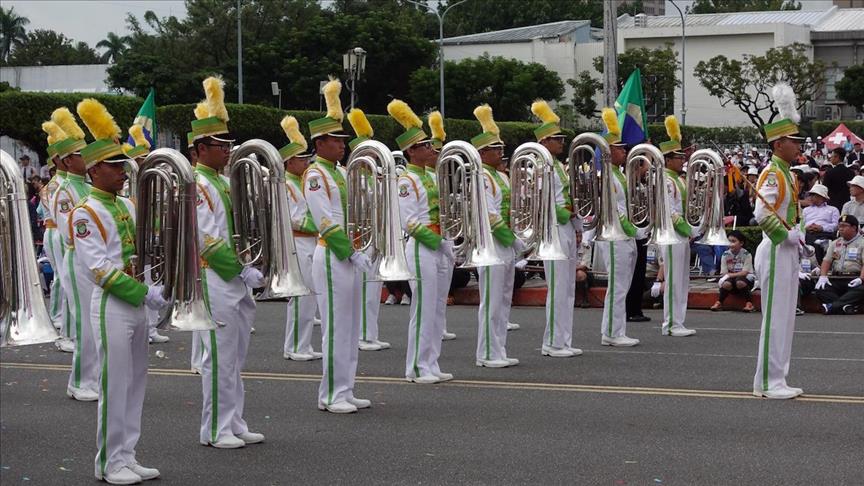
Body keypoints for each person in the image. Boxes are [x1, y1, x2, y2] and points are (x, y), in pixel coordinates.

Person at [71, 98, 168, 484]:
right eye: (114, 166)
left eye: (121, 165)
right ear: (94, 170)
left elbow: (144, 245)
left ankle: (127, 454)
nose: (121, 172)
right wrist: (143, 292)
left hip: (137, 299)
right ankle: (109, 462)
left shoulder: (126, 203)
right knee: (115, 384)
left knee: (136, 383)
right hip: (113, 302)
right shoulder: (85, 212)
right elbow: (99, 269)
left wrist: (156, 282)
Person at [191, 77, 265, 445]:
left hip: (233, 275)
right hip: (215, 276)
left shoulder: (220, 181)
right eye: (221, 145)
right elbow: (205, 240)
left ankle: (233, 420)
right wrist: (240, 268)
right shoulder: (197, 184)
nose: (228, 150)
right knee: (218, 358)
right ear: (201, 147)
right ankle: (215, 429)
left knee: (234, 356)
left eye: (228, 144)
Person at [304, 79, 372, 414]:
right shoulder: (316, 175)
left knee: (350, 326)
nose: (343, 145)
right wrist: (351, 251)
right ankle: (331, 393)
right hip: (332, 255)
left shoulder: (341, 172)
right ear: (320, 142)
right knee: (335, 326)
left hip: (348, 254)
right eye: (337, 140)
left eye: (343, 139)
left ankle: (346, 387)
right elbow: (326, 221)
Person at [389, 100, 453, 383]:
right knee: (424, 307)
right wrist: (437, 241)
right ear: (412, 151)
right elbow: (410, 222)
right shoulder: (406, 181)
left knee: (437, 307)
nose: (431, 149)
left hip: (438, 244)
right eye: (425, 146)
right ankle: (416, 367)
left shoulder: (429, 176)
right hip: (422, 247)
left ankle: (431, 362)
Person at [751, 84, 805, 400]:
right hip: (774, 249)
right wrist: (786, 235)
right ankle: (769, 381)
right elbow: (762, 214)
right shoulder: (773, 174)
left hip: (786, 249)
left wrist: (798, 231)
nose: (798, 146)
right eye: (794, 141)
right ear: (779, 143)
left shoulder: (787, 173)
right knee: (775, 318)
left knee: (785, 318)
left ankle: (777, 377)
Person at [50, 106, 101, 400]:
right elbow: (70, 231)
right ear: (68, 160)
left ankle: (93, 377)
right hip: (77, 259)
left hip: (91, 260)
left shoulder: (87, 187)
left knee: (95, 323)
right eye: (82, 154)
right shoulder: (66, 190)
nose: (87, 158)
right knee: (84, 323)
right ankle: (80, 381)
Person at [473, 104, 524, 366]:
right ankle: (487, 352)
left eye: (501, 148)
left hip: (505, 243)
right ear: (482, 152)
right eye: (495, 149)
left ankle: (498, 349)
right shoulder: (480, 176)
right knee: (492, 302)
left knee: (504, 299)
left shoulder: (500, 176)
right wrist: (512, 239)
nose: (500, 152)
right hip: (493, 243)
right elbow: (490, 216)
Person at [531, 100, 583, 357]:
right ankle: (551, 342)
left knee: (567, 288)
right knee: (558, 287)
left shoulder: (558, 166)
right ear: (544, 142)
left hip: (565, 227)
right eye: (557, 138)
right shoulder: (540, 167)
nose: (562, 142)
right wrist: (565, 213)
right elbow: (542, 202)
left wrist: (576, 219)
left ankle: (563, 339)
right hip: (553, 228)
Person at [346, 108, 390, 352]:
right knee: (364, 288)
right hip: (360, 238)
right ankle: (363, 335)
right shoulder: (355, 178)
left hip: (374, 236)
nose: (374, 157)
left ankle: (370, 333)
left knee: (373, 288)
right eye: (370, 153)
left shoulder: (373, 177)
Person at [124, 123, 171, 346]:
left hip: (153, 235)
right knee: (139, 281)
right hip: (135, 239)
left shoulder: (153, 181)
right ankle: (142, 327)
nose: (145, 163)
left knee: (153, 279)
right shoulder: (126, 186)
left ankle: (151, 328)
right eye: (141, 160)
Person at [597, 108, 641, 347]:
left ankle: (613, 330)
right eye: (620, 148)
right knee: (618, 285)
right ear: (609, 150)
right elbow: (616, 210)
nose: (624, 151)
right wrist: (635, 229)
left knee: (622, 285)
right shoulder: (607, 176)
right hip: (615, 236)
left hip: (624, 236)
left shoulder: (618, 175)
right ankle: (613, 332)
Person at [279, 115, 321, 361]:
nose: (307, 162)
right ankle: (294, 346)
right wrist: (322, 226)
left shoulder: (302, 182)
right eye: (302, 158)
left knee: (310, 296)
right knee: (301, 296)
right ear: (290, 161)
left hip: (310, 241)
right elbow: (294, 218)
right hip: (297, 242)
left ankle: (302, 344)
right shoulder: (285, 184)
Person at [655, 115, 697, 336]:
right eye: (679, 156)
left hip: (681, 234)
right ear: (668, 159)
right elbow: (669, 212)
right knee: (673, 280)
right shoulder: (664, 179)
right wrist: (686, 229)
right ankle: (670, 323)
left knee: (682, 279)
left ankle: (677, 321)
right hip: (672, 234)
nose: (683, 160)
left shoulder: (678, 179)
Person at [427, 114, 457, 342]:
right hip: (429, 240)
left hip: (442, 237)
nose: (438, 156)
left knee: (439, 295)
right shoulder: (414, 178)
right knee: (427, 301)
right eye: (436, 151)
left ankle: (440, 327)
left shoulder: (438, 176)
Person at [39, 121, 68, 329]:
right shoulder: (52, 187)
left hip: (63, 231)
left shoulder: (68, 184)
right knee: (60, 274)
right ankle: (56, 314)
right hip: (54, 231)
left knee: (66, 275)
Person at [813, 214, 864, 314]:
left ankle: (833, 306)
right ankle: (845, 306)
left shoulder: (862, 243)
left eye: (844, 226)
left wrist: (861, 279)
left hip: (855, 279)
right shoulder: (835, 243)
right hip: (837, 278)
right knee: (820, 288)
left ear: (854, 227)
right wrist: (823, 276)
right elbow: (826, 261)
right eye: (839, 226)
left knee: (862, 289)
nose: (840, 229)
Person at [709, 230, 755, 312]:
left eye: (733, 241)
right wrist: (729, 276)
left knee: (740, 282)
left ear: (741, 243)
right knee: (726, 284)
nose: (730, 244)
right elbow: (724, 273)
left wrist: (730, 275)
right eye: (729, 241)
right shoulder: (725, 255)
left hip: (745, 281)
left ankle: (749, 303)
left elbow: (744, 273)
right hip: (732, 281)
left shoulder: (747, 254)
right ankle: (719, 302)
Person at [802, 183, 840, 262]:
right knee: (808, 239)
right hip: (809, 233)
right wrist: (807, 227)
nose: (811, 197)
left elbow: (836, 225)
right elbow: (802, 223)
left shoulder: (833, 209)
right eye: (810, 195)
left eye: (813, 195)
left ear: (821, 197)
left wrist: (822, 228)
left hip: (825, 233)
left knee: (823, 241)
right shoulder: (806, 210)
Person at [822, 147, 854, 212]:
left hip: (832, 204)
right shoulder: (851, 172)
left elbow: (824, 189)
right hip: (847, 203)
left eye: (832, 156)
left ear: (837, 157)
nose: (830, 158)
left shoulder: (830, 172)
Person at [797, 245, 819, 315]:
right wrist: (797, 273)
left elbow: (815, 267)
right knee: (794, 282)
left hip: (807, 280)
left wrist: (816, 270)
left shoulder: (808, 253)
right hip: (790, 278)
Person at [574, 230, 593, 308]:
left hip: (583, 273)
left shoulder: (586, 247)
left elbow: (584, 266)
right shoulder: (565, 247)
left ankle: (584, 299)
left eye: (580, 236)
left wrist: (571, 268)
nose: (578, 239)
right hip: (569, 271)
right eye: (576, 236)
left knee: (579, 274)